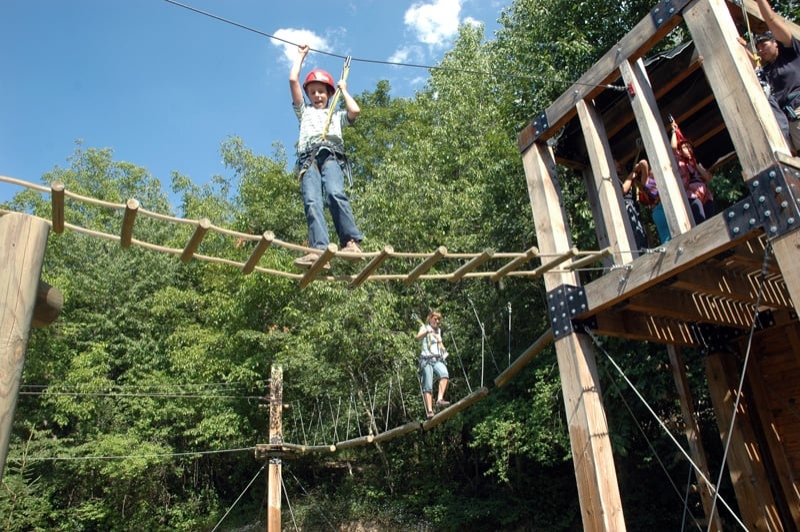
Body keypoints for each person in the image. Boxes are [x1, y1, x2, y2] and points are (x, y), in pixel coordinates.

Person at [289, 44, 365, 269]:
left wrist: (344, 90)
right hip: (309, 159)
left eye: (321, 92)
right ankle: (319, 250)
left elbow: (355, 111)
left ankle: (351, 242)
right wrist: (300, 56)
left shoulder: (337, 115)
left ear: (329, 94)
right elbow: (293, 80)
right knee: (312, 201)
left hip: (332, 156)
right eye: (312, 92)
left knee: (334, 193)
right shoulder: (304, 112)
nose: (317, 96)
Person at [754, 0, 800, 154]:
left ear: (775, 43)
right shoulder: (767, 72)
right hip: (788, 125)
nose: (761, 50)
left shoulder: (791, 53)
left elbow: (771, 19)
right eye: (758, 48)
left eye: (764, 44)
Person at [670, 120, 716, 225]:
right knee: (701, 221)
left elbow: (707, 177)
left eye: (689, 147)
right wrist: (674, 131)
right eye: (685, 147)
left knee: (712, 220)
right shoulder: (680, 162)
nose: (688, 149)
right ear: (681, 150)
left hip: (705, 195)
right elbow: (673, 148)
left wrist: (696, 164)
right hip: (692, 194)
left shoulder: (696, 163)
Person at [415, 310, 450, 420]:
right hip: (426, 359)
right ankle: (430, 410)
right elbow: (417, 338)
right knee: (428, 385)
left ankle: (439, 399)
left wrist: (440, 342)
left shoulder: (438, 330)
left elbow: (440, 346)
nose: (437, 321)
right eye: (435, 319)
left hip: (437, 358)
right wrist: (426, 332)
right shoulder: (424, 328)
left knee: (444, 374)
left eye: (439, 319)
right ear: (430, 319)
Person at [632, 159, 671, 243]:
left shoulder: (662, 179)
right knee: (667, 238)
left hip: (668, 207)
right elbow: (643, 163)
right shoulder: (647, 182)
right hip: (659, 210)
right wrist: (637, 168)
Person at [615, 159, 649, 254]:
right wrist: (632, 174)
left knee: (640, 234)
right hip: (627, 207)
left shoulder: (618, 179)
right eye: (615, 162)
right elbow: (622, 191)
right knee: (636, 236)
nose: (618, 163)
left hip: (632, 207)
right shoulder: (613, 180)